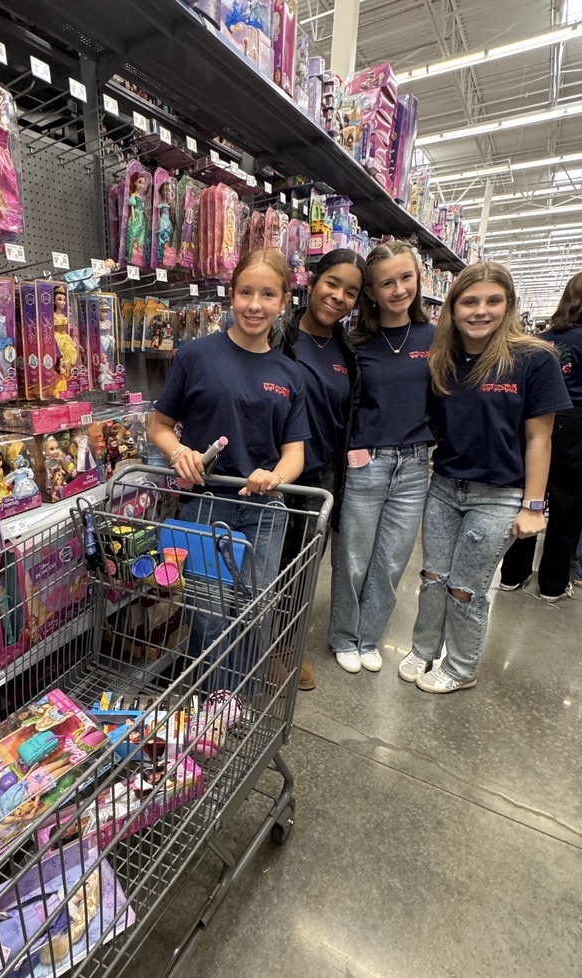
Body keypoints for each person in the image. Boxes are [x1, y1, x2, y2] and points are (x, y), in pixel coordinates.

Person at [398, 262, 570, 694]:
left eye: (493, 301)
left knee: (465, 588)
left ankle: (460, 666)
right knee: (433, 577)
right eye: (469, 301)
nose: (480, 311)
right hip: (444, 485)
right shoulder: (444, 359)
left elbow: (540, 438)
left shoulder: (534, 359)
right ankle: (423, 648)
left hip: (498, 495)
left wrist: (533, 505)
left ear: (509, 305)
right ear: (452, 307)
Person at [148, 249, 309, 686]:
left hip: (266, 512)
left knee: (253, 611)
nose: (255, 304)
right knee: (209, 615)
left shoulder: (291, 375)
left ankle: (234, 698)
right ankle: (210, 705)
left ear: (284, 300)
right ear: (231, 294)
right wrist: (177, 452)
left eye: (267, 294)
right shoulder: (196, 355)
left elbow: (294, 452)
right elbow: (159, 425)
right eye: (245, 292)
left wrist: (276, 476)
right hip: (205, 507)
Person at [329, 240, 435, 674]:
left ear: (417, 279)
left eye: (406, 278)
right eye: (386, 283)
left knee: (392, 561)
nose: (398, 290)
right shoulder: (354, 343)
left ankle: (369, 637)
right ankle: (343, 636)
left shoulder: (437, 338)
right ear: (370, 291)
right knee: (352, 559)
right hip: (364, 463)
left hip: (414, 467)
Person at [278, 249, 366, 690]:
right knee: (267, 563)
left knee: (302, 568)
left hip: (322, 477)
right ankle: (256, 644)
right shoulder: (280, 334)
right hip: (275, 473)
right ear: (312, 281)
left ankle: (286, 647)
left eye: (351, 292)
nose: (339, 297)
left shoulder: (345, 351)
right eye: (333, 283)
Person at [498, 272, 582, 600]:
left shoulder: (540, 339)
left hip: (533, 421)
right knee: (568, 504)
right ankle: (552, 584)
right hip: (575, 423)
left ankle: (512, 575)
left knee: (529, 498)